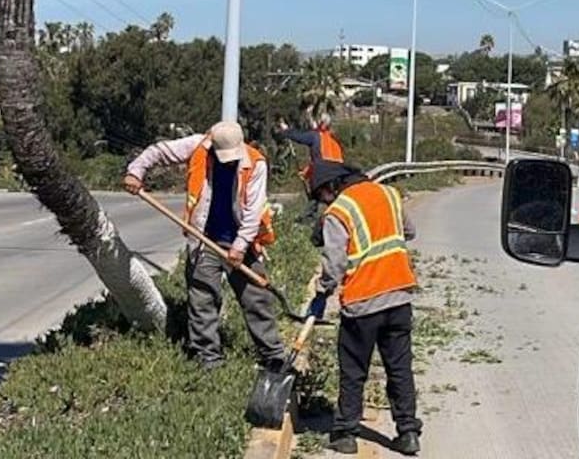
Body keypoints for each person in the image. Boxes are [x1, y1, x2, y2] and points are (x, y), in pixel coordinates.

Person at [123, 121, 285, 371]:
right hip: (204, 239)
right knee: (202, 299)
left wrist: (240, 246)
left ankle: (273, 355)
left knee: (256, 298)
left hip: (244, 239)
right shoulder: (197, 146)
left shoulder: (256, 163)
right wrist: (136, 171)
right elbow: (159, 151)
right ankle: (208, 358)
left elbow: (253, 212)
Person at [305, 161, 421, 456]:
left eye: (322, 196)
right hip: (398, 296)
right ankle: (407, 433)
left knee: (354, 370)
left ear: (331, 187)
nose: (323, 203)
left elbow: (334, 264)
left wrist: (323, 290)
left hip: (363, 302)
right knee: (399, 368)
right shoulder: (389, 194)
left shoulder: (339, 211)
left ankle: (345, 433)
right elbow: (409, 231)